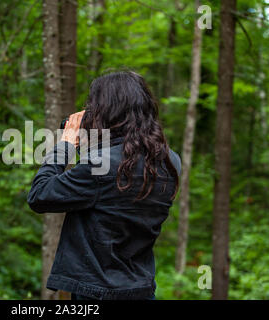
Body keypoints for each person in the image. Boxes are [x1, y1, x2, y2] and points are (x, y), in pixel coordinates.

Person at [27, 71, 181, 300]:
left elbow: (39, 195)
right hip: (141, 289)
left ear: (109, 110)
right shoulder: (171, 161)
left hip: (97, 293)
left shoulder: (102, 165)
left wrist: (67, 144)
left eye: (94, 105)